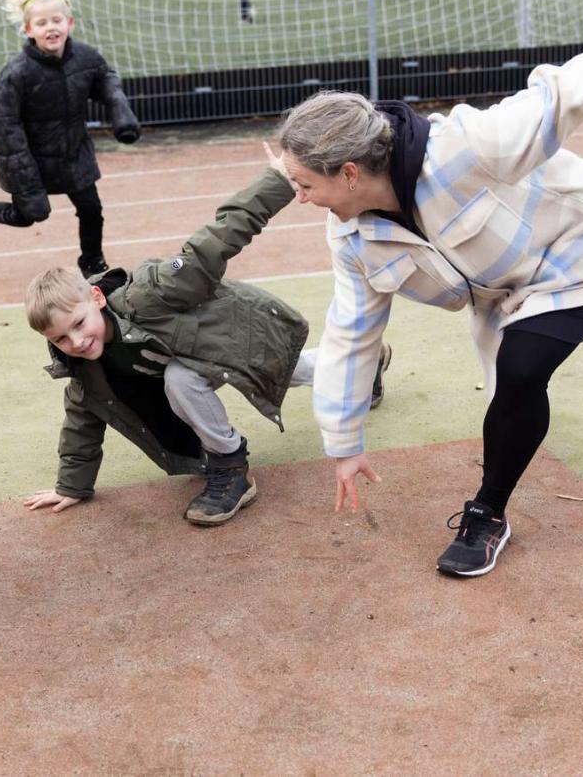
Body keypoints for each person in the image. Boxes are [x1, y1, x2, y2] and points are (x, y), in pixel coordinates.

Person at [271, 0, 583, 578]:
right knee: (512, 381)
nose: (300, 199)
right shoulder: (351, 238)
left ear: (349, 173)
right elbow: (352, 333)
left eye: (304, 184)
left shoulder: (466, 146)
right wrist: (344, 443)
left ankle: (488, 513)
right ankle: (502, 457)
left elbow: (571, 88)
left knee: (523, 369)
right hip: (506, 290)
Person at [22, 157, 390, 525]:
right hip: (197, 359)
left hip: (233, 335)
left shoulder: (149, 294)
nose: (76, 341)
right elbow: (82, 423)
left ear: (97, 299)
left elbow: (212, 244)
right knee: (198, 377)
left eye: (79, 324)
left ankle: (232, 467)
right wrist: (72, 487)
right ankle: (365, 362)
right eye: (60, 338)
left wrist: (277, 182)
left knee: (205, 377)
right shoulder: (86, 371)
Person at [0, 0, 140, 279]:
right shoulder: (16, 75)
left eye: (56, 20)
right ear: (29, 30)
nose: (50, 28)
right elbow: (7, 130)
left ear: (70, 23)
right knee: (31, 215)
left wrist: (122, 113)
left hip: (73, 153)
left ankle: (92, 261)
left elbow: (106, 81)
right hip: (32, 160)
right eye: (41, 23)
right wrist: (25, 177)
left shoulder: (86, 58)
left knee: (91, 209)